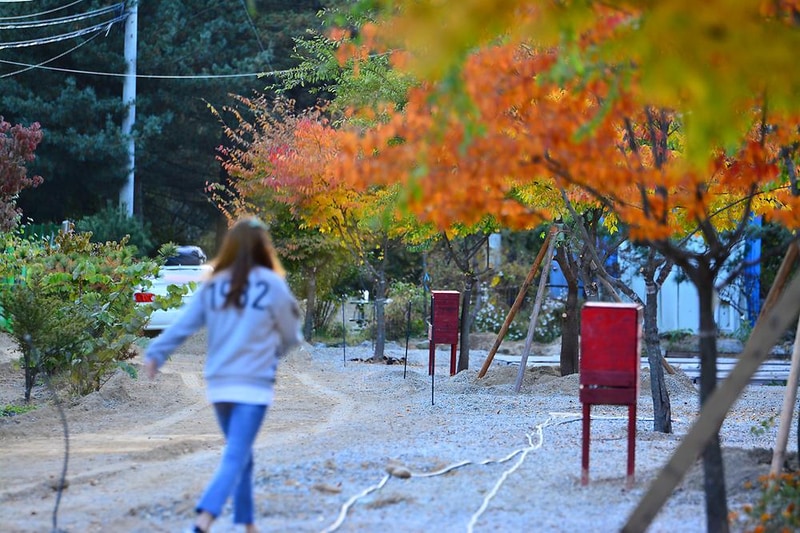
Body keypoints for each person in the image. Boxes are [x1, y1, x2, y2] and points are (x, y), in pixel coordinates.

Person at [144, 216, 303, 533]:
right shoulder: (272, 284)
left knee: (240, 452)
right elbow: (292, 335)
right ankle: (203, 522)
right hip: (254, 385)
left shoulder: (214, 284)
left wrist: (156, 352)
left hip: (219, 385)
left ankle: (247, 523)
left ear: (230, 246)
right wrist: (272, 354)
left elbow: (184, 324)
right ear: (263, 248)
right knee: (236, 454)